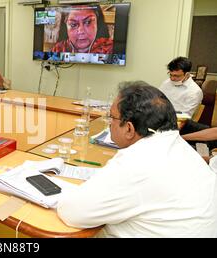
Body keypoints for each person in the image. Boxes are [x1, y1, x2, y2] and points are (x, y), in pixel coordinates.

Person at [57, 81, 217, 237]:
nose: (109, 122)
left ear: (129, 128)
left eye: (111, 117)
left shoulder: (138, 160)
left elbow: (72, 212)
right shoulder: (178, 146)